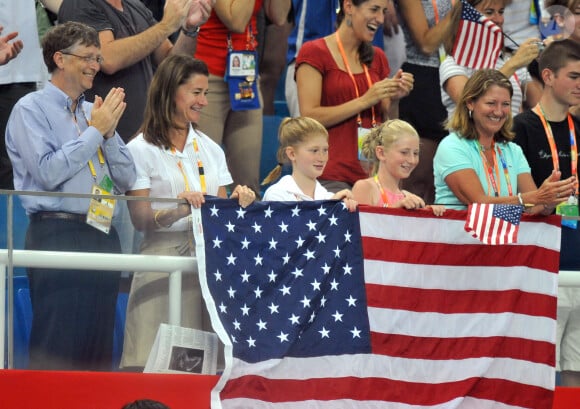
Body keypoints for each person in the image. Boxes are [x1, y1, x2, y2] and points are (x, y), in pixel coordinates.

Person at [5, 21, 136, 370]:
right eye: (88, 57)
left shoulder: (95, 112)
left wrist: (106, 134)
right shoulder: (30, 109)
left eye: (98, 57)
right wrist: (96, 132)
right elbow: (47, 173)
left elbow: (127, 177)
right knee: (58, 345)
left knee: (97, 348)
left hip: (104, 231)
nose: (96, 65)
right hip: (57, 232)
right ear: (60, 59)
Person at [120, 54, 256, 370]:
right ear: (170, 92)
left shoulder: (211, 149)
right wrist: (177, 210)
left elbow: (221, 220)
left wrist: (238, 203)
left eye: (206, 93)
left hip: (204, 269)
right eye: (196, 93)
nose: (204, 102)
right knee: (149, 367)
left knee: (198, 373)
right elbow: (140, 218)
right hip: (159, 264)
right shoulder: (139, 149)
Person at [512, 39, 580, 386]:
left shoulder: (578, 128)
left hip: (577, 254)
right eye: (574, 76)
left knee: (576, 364)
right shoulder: (520, 128)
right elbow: (513, 200)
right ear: (549, 76)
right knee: (543, 362)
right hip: (541, 255)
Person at [296, 0, 414, 191]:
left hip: (374, 178)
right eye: (374, 10)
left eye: (383, 12)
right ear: (349, 7)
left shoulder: (378, 57)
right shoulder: (315, 52)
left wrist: (395, 99)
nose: (381, 19)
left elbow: (388, 122)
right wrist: (364, 100)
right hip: (331, 177)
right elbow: (309, 116)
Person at [58, 0, 214, 143]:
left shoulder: (134, 5)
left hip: (145, 139)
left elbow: (171, 63)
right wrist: (167, 25)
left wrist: (189, 30)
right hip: (102, 141)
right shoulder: (79, 4)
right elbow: (106, 58)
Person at [433, 68, 576, 211]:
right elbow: (478, 203)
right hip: (458, 232)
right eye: (491, 103)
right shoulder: (452, 146)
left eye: (505, 104)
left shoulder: (512, 150)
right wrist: (532, 198)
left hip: (501, 233)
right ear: (470, 103)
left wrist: (550, 199)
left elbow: (533, 208)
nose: (498, 111)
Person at [193, 0, 291, 196]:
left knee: (248, 185)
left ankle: (247, 225)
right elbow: (236, 20)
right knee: (204, 181)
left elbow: (279, 16)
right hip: (207, 79)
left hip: (245, 78)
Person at [440, 0, 542, 119]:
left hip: (509, 137)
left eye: (501, 12)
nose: (499, 19)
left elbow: (542, 107)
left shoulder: (507, 60)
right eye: (489, 12)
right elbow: (470, 102)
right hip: (470, 137)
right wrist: (512, 65)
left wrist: (552, 64)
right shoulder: (453, 63)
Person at [395, 0, 454, 205]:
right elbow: (427, 44)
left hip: (458, 73)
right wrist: (462, 7)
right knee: (417, 176)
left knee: (440, 182)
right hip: (423, 80)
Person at [0, 0, 62, 189]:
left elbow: (65, 5)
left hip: (19, 70)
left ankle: (8, 218)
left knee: (16, 163)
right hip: (17, 71)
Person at [261, 116, 357, 211]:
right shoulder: (277, 195)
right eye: (314, 150)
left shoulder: (329, 197)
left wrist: (345, 209)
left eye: (325, 150)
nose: (322, 158)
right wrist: (329, 208)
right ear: (292, 153)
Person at [352, 119, 446, 215]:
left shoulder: (409, 197)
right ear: (381, 153)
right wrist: (396, 209)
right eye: (404, 152)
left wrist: (430, 214)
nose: (412, 160)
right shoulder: (365, 187)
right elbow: (361, 226)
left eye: (416, 153)